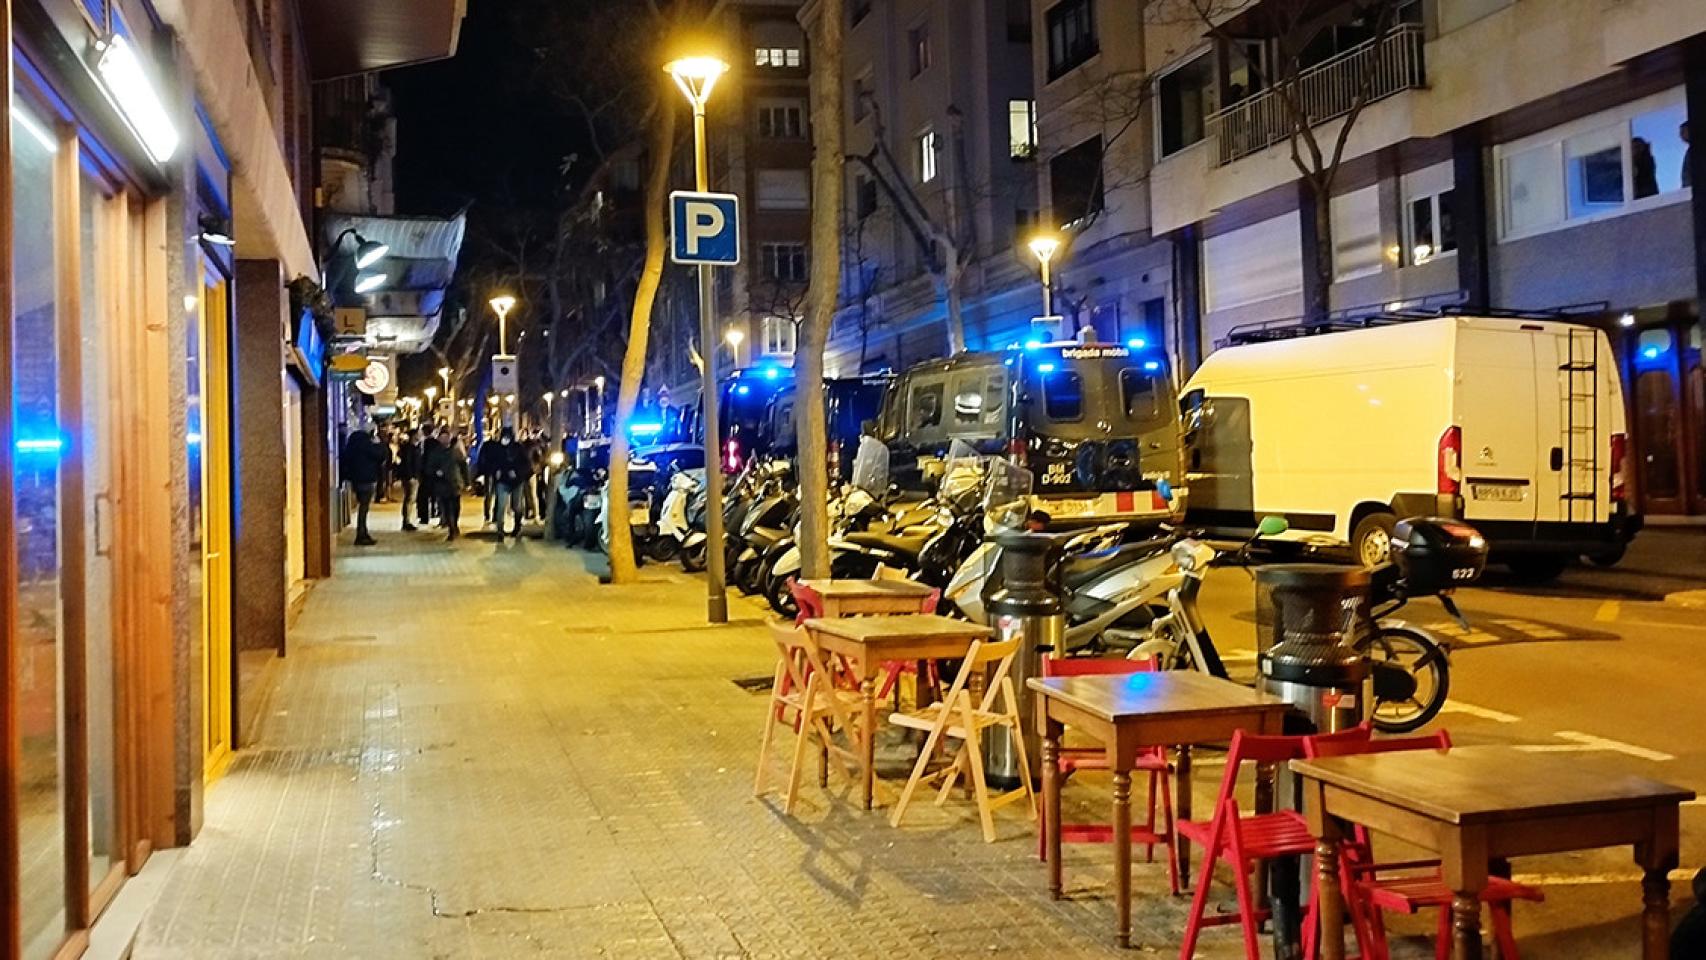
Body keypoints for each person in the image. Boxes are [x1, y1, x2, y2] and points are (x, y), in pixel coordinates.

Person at [339, 422, 387, 546]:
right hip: (367, 479)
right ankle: (361, 534)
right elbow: (381, 455)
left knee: (362, 507)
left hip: (356, 479)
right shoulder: (367, 443)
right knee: (364, 508)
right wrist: (379, 443)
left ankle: (362, 533)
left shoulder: (353, 442)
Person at [422, 425, 469, 540]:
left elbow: (463, 466)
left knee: (455, 506)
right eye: (442, 437)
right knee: (446, 507)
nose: (444, 440)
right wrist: (435, 472)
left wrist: (466, 482)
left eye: (446, 437)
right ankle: (451, 528)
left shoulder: (455, 451)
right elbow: (428, 467)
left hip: (455, 483)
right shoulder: (435, 452)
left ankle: (454, 524)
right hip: (441, 484)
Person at [487, 427, 530, 538]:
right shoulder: (497, 449)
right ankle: (500, 530)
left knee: (517, 506)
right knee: (501, 506)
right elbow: (492, 462)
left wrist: (517, 472)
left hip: (517, 482)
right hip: (502, 481)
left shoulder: (518, 448)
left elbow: (526, 464)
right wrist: (496, 471)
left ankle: (517, 526)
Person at [397, 426, 422, 531]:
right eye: (418, 434)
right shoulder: (410, 448)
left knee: (410, 499)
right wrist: (411, 476)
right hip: (411, 477)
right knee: (410, 499)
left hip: (413, 476)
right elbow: (408, 463)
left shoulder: (413, 447)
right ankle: (406, 521)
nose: (420, 436)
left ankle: (406, 520)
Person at [417, 426, 442, 527]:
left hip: (426, 473)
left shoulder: (425, 443)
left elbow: (423, 458)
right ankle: (435, 512)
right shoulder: (437, 443)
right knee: (434, 495)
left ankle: (424, 517)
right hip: (434, 473)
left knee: (423, 496)